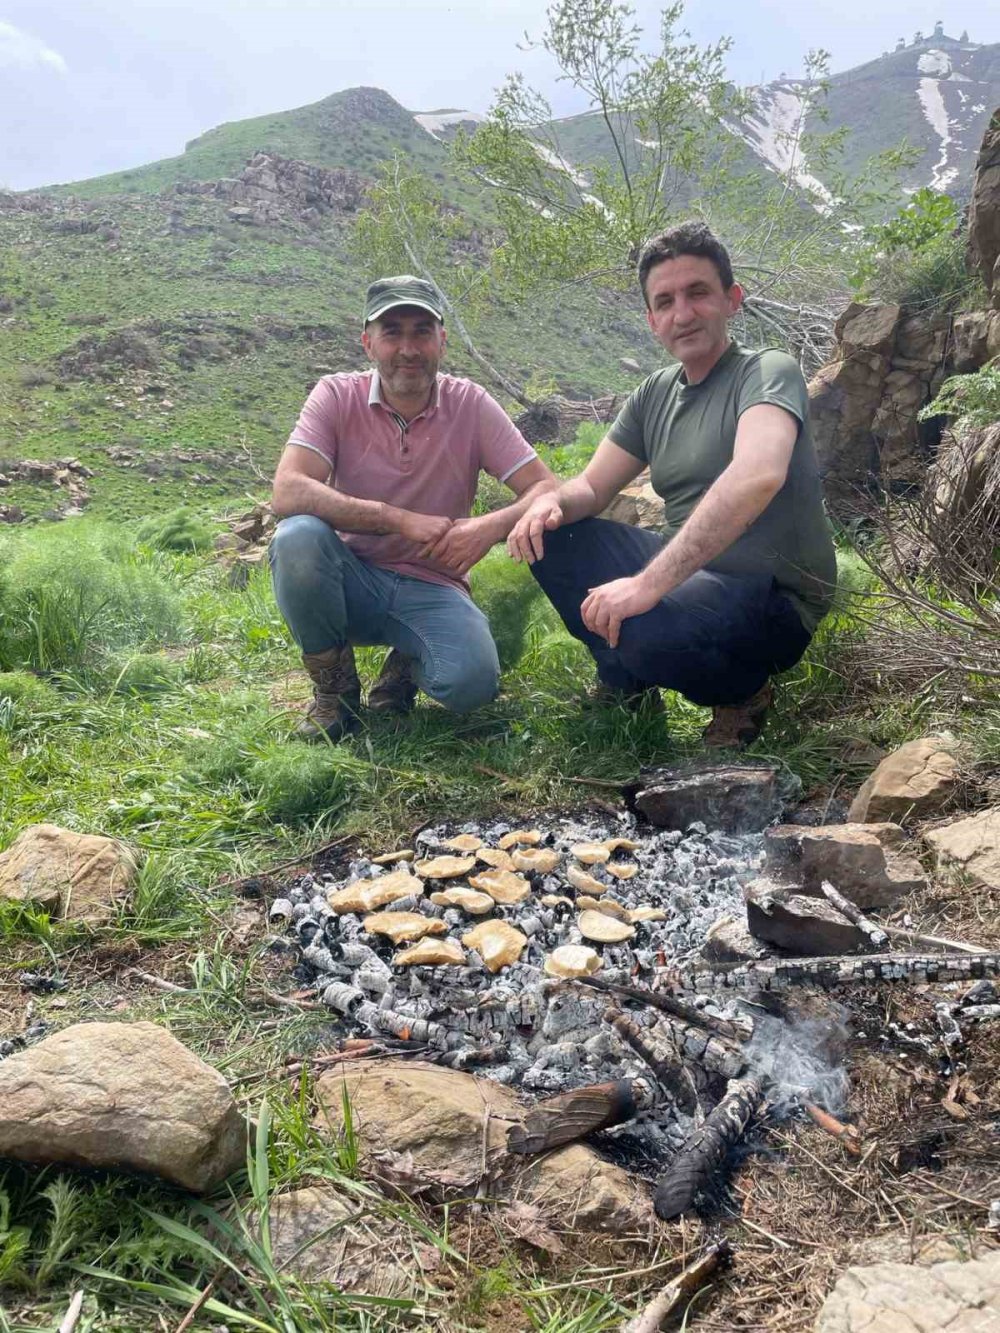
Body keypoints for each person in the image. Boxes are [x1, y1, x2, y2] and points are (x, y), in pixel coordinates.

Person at [507, 221, 837, 748]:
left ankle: (743, 693)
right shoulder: (653, 394)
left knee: (647, 630)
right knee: (555, 536)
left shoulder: (766, 372)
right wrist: (546, 505)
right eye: (665, 302)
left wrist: (646, 585)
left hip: (773, 599)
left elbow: (758, 474)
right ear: (652, 320)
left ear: (732, 299)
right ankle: (626, 683)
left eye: (698, 293)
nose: (682, 314)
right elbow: (591, 489)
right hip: (695, 577)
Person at [269, 275, 557, 741]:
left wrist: (487, 527)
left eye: (422, 331)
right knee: (297, 537)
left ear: (442, 340)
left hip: (434, 582)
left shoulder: (471, 404)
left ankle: (405, 664)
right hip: (350, 582)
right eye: (392, 332)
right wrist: (396, 519)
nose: (408, 348)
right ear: (368, 343)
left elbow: (545, 487)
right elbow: (288, 490)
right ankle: (335, 693)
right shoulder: (335, 396)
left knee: (470, 685)